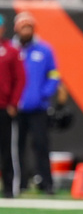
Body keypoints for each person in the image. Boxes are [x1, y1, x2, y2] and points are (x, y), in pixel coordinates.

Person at [13, 12, 59, 195]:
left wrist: (44, 94)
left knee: (41, 145)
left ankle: (47, 183)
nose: (27, 30)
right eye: (24, 27)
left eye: (29, 27)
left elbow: (54, 75)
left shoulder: (44, 50)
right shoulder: (12, 50)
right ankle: (20, 183)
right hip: (15, 108)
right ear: (17, 29)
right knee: (17, 148)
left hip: (38, 107)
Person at [0, 15, 26, 198]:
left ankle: (9, 187)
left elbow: (20, 78)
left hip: (4, 107)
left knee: (7, 149)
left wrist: (14, 102)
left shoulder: (11, 50)